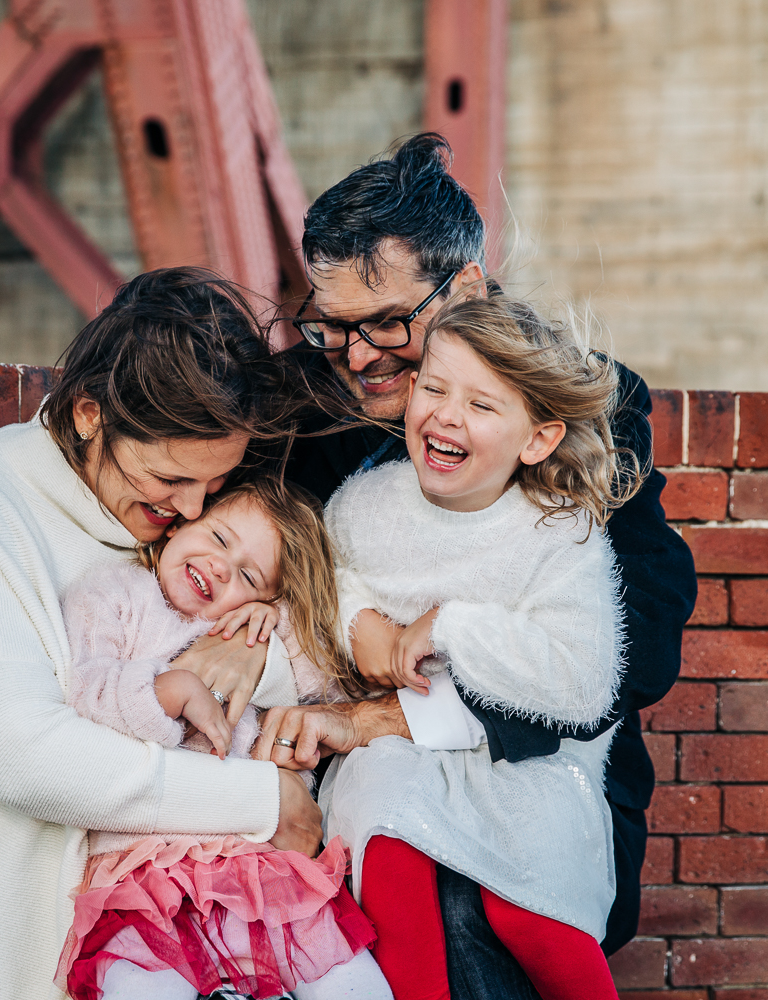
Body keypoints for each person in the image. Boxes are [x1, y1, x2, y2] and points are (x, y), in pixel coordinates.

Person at [260, 134, 698, 991]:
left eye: (386, 323)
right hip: (350, 767)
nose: (355, 357)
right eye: (332, 325)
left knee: (473, 912)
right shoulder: (299, 401)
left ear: (462, 286)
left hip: (526, 759)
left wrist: (400, 713)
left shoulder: (579, 395)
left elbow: (637, 640)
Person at [0, 268, 336, 1000]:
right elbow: (27, 755)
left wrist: (257, 657)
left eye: (212, 487)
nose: (192, 508)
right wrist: (259, 801)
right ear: (92, 413)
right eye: (171, 477)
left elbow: (302, 629)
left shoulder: (158, 530)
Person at [323, 294, 636, 1000]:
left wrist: (451, 626)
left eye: (483, 405)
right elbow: (327, 571)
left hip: (521, 760)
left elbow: (582, 678)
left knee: (531, 909)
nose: (446, 415)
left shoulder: (557, 532)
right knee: (389, 849)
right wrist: (357, 618)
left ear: (538, 440)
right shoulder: (364, 505)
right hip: (397, 752)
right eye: (433, 388)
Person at [54, 478, 390, 1000]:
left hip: (257, 867)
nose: (219, 566)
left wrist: (275, 624)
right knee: (141, 984)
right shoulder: (115, 594)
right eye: (217, 537)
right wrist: (168, 692)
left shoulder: (252, 634)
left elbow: (328, 675)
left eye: (247, 575)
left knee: (354, 983)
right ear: (182, 524)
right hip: (146, 870)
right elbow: (84, 696)